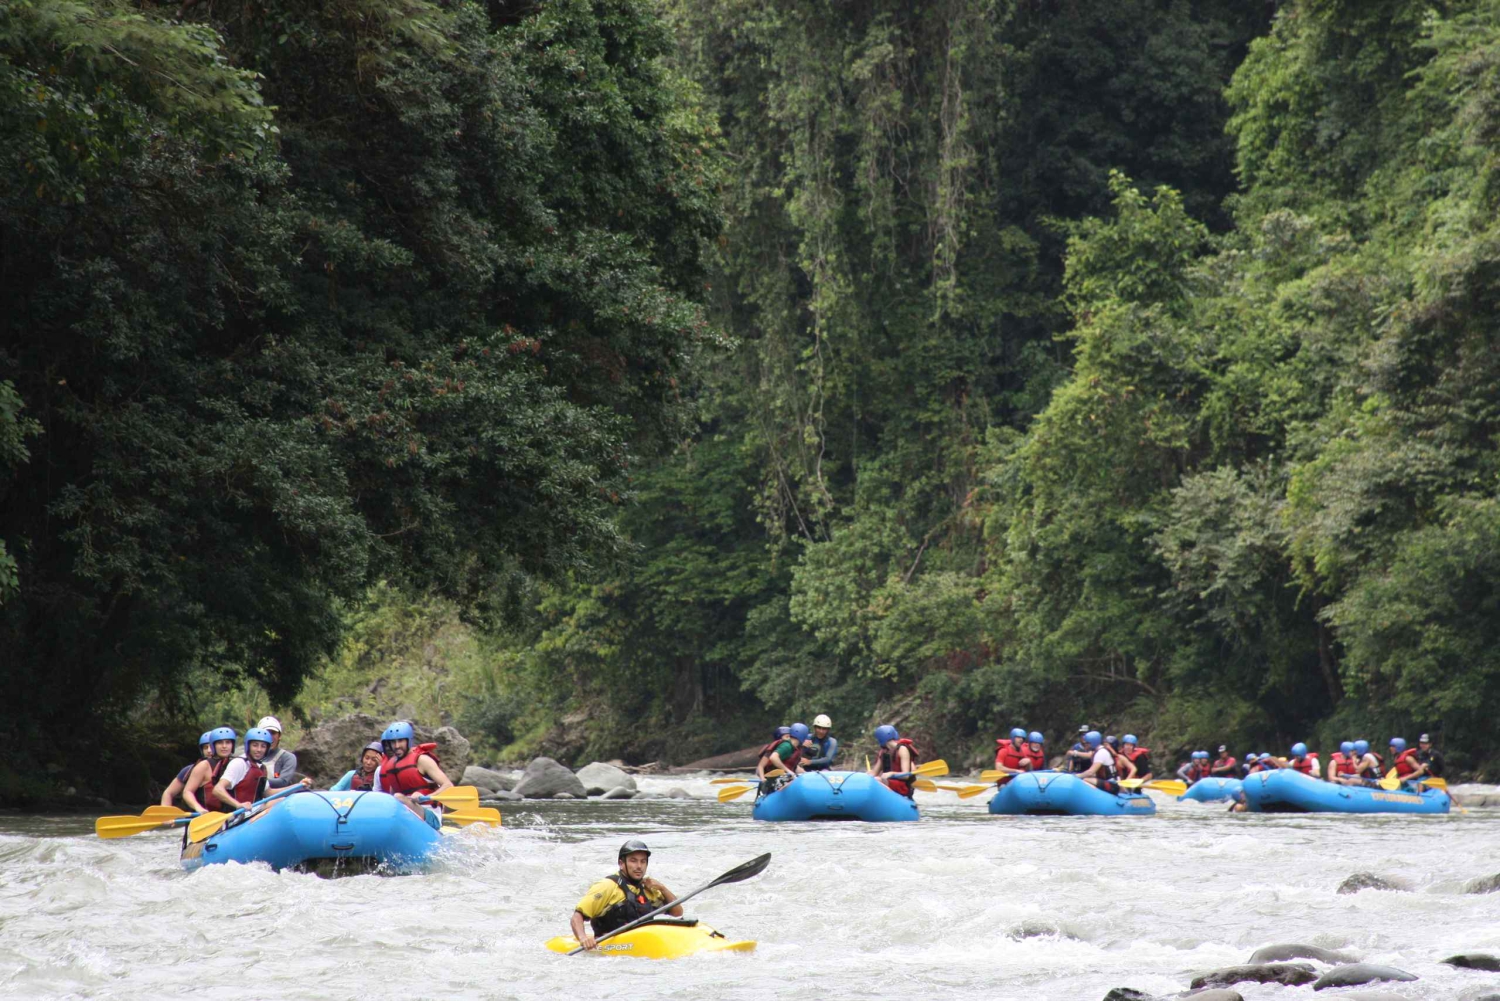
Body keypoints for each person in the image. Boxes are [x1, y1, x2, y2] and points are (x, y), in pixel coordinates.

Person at [569, 839, 682, 951]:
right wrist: (583, 938)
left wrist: (663, 888)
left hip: (642, 945)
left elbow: (677, 913)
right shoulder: (606, 886)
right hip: (612, 947)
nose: (639, 866)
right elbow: (577, 916)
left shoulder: (649, 888)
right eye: (633, 861)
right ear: (621, 864)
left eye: (643, 861)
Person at [211, 727, 310, 813]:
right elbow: (217, 789)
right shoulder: (239, 763)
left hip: (252, 812)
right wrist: (238, 805)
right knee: (279, 802)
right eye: (255, 745)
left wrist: (298, 786)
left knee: (283, 800)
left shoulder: (261, 767)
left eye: (263, 746)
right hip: (236, 815)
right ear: (248, 746)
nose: (259, 749)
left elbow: (269, 793)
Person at [376, 720, 454, 829]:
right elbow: (392, 797)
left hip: (430, 817)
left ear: (408, 741)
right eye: (393, 742)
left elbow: (448, 786)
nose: (397, 745)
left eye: (401, 741)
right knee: (394, 798)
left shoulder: (422, 760)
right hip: (406, 815)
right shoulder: (391, 765)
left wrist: (426, 797)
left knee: (398, 797)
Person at [182, 726, 238, 813]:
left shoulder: (237, 763)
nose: (224, 746)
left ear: (233, 745)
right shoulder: (203, 766)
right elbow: (187, 792)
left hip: (232, 816)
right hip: (207, 818)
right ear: (213, 745)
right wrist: (198, 808)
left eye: (228, 742)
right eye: (220, 743)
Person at [160, 731, 215, 809]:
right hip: (197, 816)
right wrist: (166, 815)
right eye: (205, 747)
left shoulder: (231, 766)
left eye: (211, 747)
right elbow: (169, 793)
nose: (209, 751)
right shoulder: (189, 770)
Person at [870, 724, 918, 797]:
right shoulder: (883, 751)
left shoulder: (902, 749)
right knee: (873, 780)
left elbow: (906, 775)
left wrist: (891, 774)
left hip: (902, 787)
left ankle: (891, 797)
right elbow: (873, 773)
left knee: (876, 780)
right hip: (889, 783)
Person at [756, 724, 804, 794]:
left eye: (789, 736)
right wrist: (763, 779)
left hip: (782, 777)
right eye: (787, 736)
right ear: (780, 738)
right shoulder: (773, 750)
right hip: (770, 780)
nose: (789, 738)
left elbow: (794, 767)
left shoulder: (790, 749)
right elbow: (760, 766)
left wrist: (807, 774)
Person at [256, 716, 299, 789]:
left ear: (279, 736)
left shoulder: (288, 758)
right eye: (266, 733)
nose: (270, 737)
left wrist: (256, 781)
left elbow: (283, 782)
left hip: (278, 798)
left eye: (273, 733)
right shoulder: (250, 757)